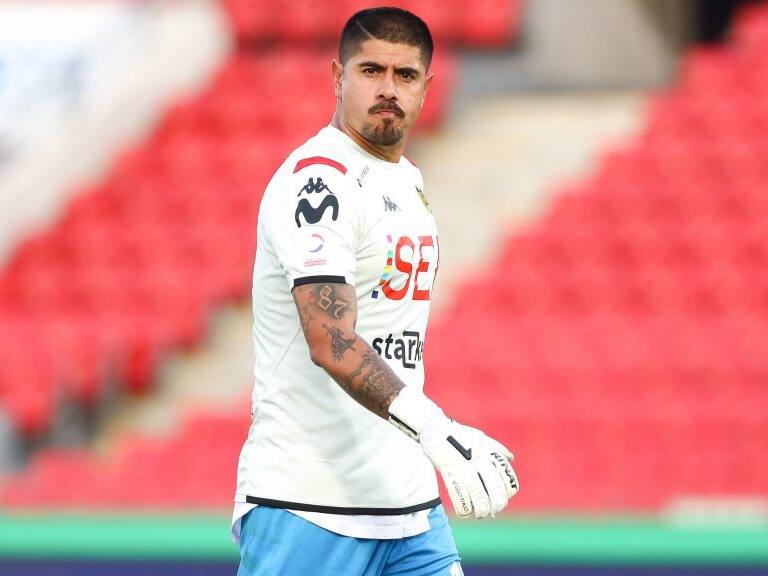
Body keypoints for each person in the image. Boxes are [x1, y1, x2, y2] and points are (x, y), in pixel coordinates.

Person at [232, 7, 519, 575]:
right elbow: (332, 341)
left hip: (408, 506)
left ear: (427, 87)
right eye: (371, 71)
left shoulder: (407, 181)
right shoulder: (320, 181)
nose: (388, 90)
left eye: (405, 75)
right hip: (310, 502)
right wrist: (437, 429)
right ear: (338, 77)